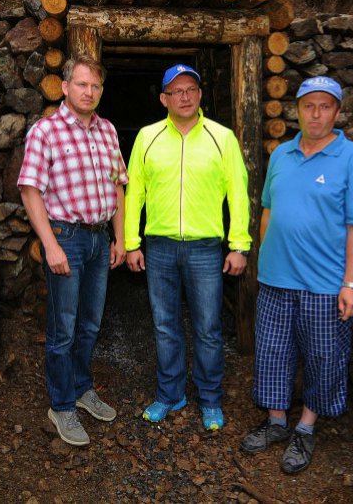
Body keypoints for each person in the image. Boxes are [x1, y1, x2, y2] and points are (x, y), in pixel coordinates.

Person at [240, 76, 353, 473]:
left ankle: (306, 427)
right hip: (276, 279)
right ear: (296, 110)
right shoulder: (281, 155)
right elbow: (267, 209)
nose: (316, 114)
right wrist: (265, 258)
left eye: (325, 106)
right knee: (272, 353)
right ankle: (277, 422)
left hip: (325, 284)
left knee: (323, 357)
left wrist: (351, 284)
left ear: (336, 111)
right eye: (309, 106)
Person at [124, 64, 252, 431]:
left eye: (191, 89)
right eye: (176, 91)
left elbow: (237, 193)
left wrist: (238, 245)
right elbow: (135, 194)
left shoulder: (222, 137)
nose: (184, 96)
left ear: (200, 95)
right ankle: (170, 394)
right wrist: (132, 243)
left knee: (208, 327)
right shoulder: (147, 137)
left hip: (205, 248)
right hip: (160, 246)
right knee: (165, 326)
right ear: (164, 98)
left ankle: (210, 399)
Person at [18, 55, 128, 447]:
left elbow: (118, 186)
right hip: (65, 236)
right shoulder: (45, 132)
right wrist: (50, 245)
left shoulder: (108, 131)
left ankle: (82, 389)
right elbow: (30, 189)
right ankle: (61, 404)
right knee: (63, 329)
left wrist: (120, 238)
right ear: (65, 87)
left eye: (95, 86)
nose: (89, 92)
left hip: (99, 239)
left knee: (91, 324)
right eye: (81, 84)